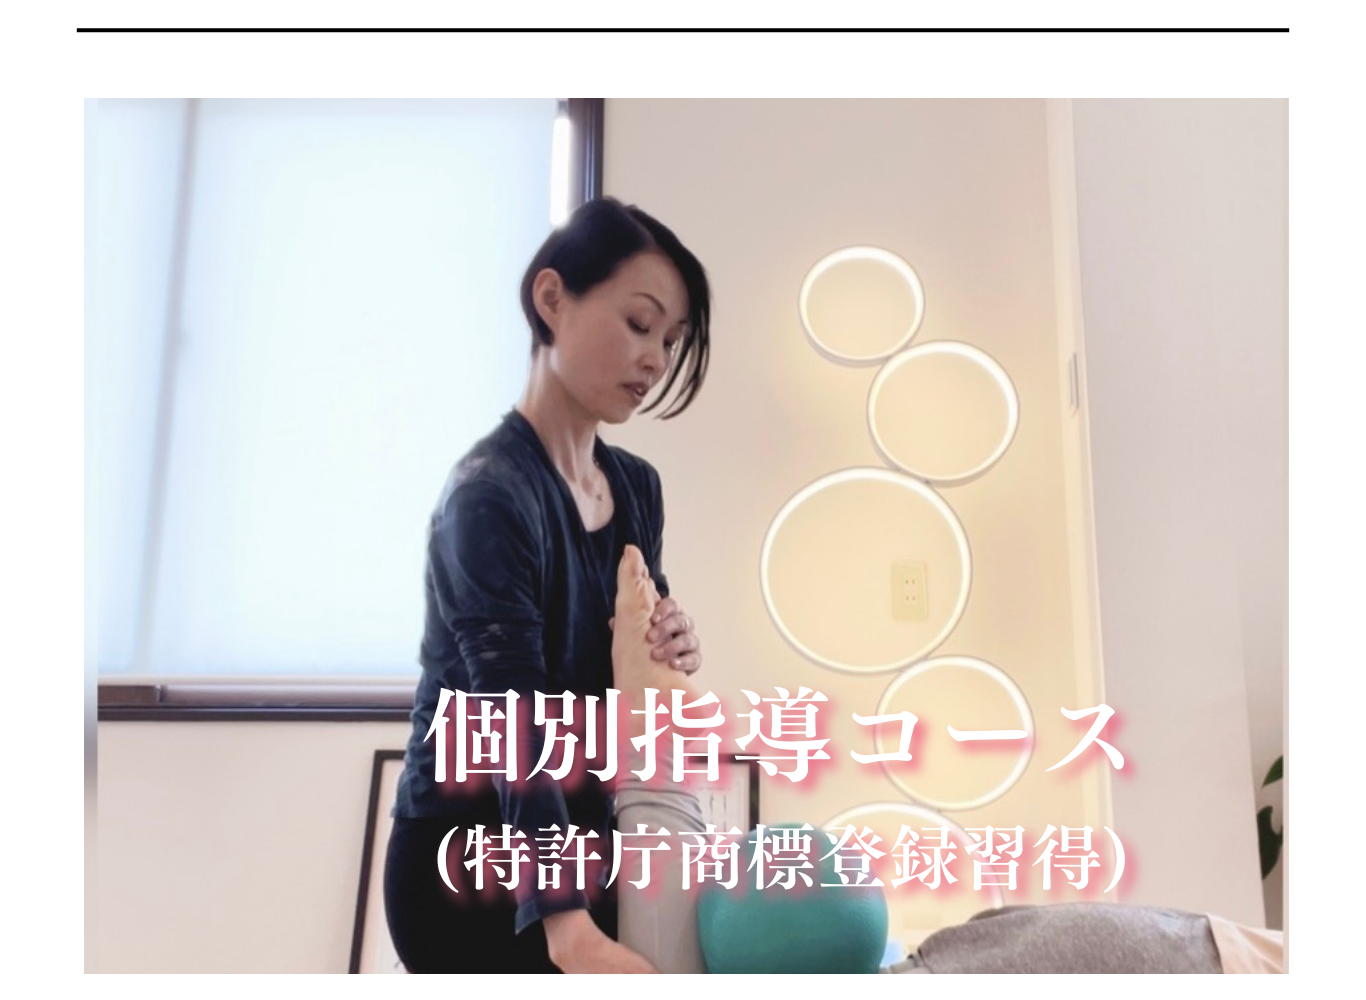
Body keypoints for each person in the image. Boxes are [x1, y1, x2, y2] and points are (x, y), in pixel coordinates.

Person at [383, 197, 712, 973]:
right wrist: (569, 932)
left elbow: (630, 678)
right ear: (553, 298)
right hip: (468, 859)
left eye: (669, 341)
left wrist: (670, 646)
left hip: (584, 842)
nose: (655, 359)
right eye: (639, 323)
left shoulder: (636, 488)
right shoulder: (488, 496)